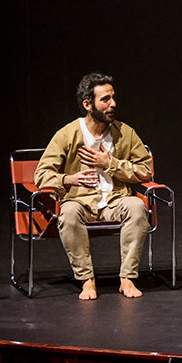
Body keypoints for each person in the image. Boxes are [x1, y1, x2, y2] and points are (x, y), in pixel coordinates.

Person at [34, 73, 153, 300]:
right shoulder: (67, 134)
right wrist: (69, 179)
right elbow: (42, 175)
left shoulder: (124, 133)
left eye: (113, 97)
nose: (113, 104)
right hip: (80, 202)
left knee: (136, 206)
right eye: (105, 99)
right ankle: (87, 280)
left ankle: (127, 278)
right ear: (88, 105)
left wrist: (111, 164)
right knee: (68, 213)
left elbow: (145, 169)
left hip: (115, 200)